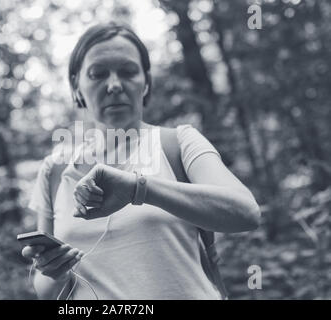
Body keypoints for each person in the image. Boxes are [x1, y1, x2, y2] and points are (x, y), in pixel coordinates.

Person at [22, 22, 261, 300]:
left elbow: (246, 213)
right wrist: (55, 272)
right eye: (98, 74)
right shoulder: (54, 170)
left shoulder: (179, 143)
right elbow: (45, 290)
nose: (114, 85)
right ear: (77, 84)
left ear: (145, 81)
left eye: (128, 72)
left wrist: (140, 189)